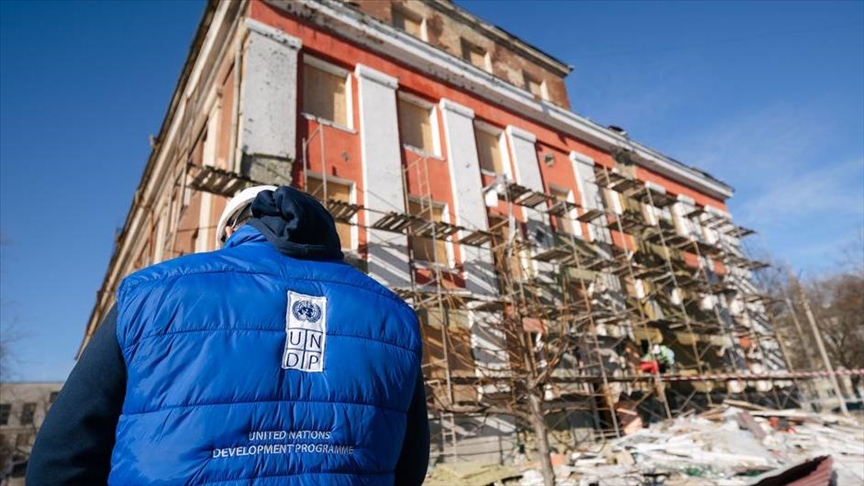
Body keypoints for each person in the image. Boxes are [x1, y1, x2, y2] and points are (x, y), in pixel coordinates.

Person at [28, 185, 430, 485]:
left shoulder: (152, 292)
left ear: (234, 230)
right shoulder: (396, 315)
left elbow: (63, 453)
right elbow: (410, 460)